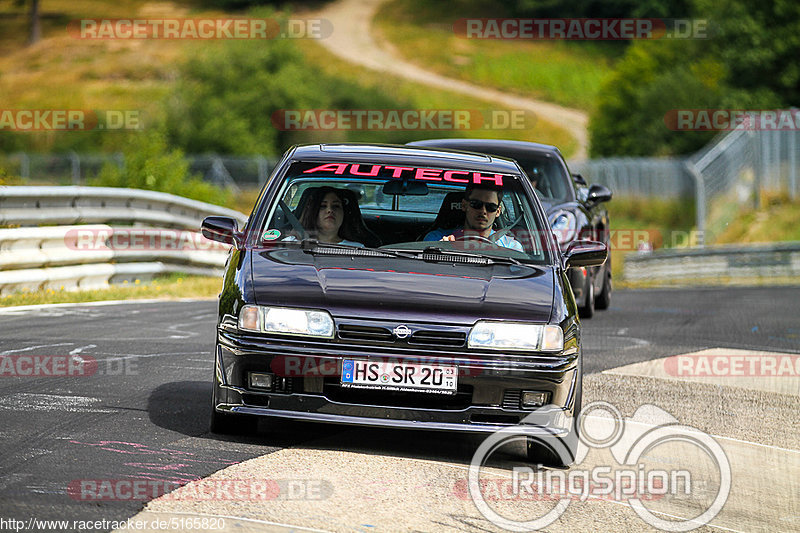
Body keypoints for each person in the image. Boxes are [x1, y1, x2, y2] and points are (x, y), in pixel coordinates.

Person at [424, 184, 523, 251]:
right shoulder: (436, 239)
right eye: (476, 204)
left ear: (498, 211)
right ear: (464, 205)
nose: (483, 211)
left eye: (490, 207)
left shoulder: (511, 247)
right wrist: (440, 249)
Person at [288, 187, 365, 246]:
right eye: (322, 206)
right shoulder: (292, 244)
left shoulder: (358, 249)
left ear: (344, 213)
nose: (330, 210)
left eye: (336, 206)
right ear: (312, 212)